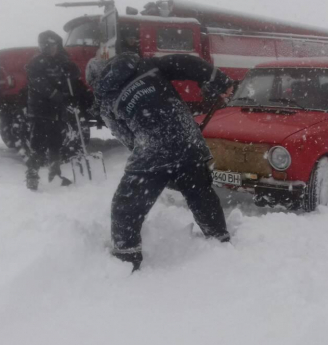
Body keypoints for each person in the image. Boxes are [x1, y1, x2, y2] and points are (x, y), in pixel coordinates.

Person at [94, 53, 234, 271]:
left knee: (126, 208)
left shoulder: (106, 101)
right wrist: (218, 79)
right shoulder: (144, 65)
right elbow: (187, 63)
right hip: (188, 138)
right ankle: (220, 239)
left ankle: (126, 260)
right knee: (200, 193)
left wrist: (155, 167)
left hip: (152, 148)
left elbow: (127, 138)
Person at [24, 30, 83, 191]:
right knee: (38, 144)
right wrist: (59, 95)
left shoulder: (62, 61)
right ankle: (32, 175)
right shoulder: (35, 63)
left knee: (55, 143)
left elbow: (74, 77)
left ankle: (55, 174)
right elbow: (40, 84)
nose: (48, 48)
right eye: (45, 45)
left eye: (51, 45)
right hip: (40, 110)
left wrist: (72, 70)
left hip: (57, 111)